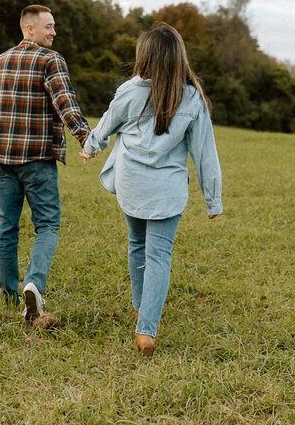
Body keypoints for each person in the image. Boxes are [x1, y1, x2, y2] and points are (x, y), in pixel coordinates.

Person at [81, 22, 222, 357]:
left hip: (131, 184)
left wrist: (91, 145)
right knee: (159, 255)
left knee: (136, 246)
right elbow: (205, 153)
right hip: (167, 191)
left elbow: (105, 123)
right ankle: (146, 330)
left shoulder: (128, 91)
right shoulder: (192, 98)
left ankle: (138, 308)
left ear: (144, 58)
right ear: (178, 59)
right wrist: (213, 198)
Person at [0, 4, 92, 324]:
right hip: (37, 160)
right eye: (48, 26)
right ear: (29, 28)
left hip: (1, 158)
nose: (53, 32)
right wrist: (87, 138)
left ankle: (6, 299)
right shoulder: (50, 60)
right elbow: (66, 104)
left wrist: (1, 134)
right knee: (47, 226)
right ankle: (34, 285)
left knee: (6, 228)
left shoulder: (0, 60)